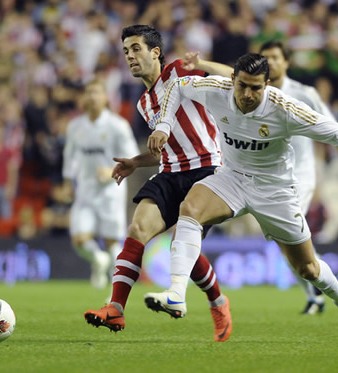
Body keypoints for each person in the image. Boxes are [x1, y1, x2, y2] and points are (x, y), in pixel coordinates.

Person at [146, 53, 338, 334]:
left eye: (256, 88)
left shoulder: (284, 108)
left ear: (267, 84)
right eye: (242, 85)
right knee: (190, 208)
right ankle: (176, 294)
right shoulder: (216, 90)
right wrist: (163, 124)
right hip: (231, 179)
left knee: (308, 269)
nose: (247, 94)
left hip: (274, 191)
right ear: (232, 79)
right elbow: (177, 86)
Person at [84, 25, 233, 342]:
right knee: (138, 229)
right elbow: (164, 145)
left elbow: (233, 78)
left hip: (206, 169)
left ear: (155, 52)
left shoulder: (180, 71)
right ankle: (115, 309)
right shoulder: (144, 103)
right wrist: (137, 161)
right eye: (126, 51)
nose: (130, 56)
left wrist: (204, 65)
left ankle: (218, 302)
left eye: (136, 48)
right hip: (169, 172)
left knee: (182, 240)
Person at [260, 40, 335, 314]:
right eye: (265, 57)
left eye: (275, 57)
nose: (270, 62)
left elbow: (331, 127)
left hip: (301, 173)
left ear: (286, 62)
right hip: (271, 177)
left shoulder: (305, 93)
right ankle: (315, 291)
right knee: (284, 245)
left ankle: (318, 291)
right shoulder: (256, 94)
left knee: (288, 236)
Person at [63, 80, 139, 290]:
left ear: (105, 98)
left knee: (111, 241)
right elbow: (70, 156)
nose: (92, 97)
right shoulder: (75, 126)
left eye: (96, 92)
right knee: (79, 238)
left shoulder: (117, 126)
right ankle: (98, 260)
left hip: (110, 191)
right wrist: (68, 181)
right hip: (85, 190)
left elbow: (132, 154)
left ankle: (118, 288)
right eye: (88, 92)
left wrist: (111, 170)